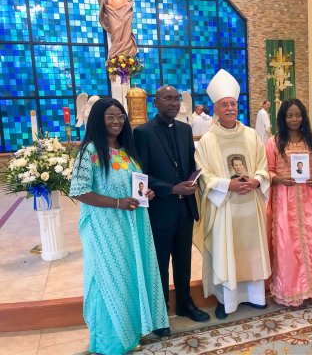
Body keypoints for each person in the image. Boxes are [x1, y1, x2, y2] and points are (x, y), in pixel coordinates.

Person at [69, 98, 168, 354]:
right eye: (110, 117)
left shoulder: (126, 149)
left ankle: (130, 334)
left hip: (133, 224)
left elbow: (132, 184)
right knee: (110, 279)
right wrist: (116, 203)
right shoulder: (90, 151)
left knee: (129, 277)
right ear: (98, 119)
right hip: (105, 228)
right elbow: (79, 191)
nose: (116, 122)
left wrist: (145, 194)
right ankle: (109, 342)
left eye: (120, 117)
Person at [194, 69, 271, 320]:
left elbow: (263, 165)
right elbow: (202, 173)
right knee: (225, 251)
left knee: (251, 250)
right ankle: (226, 301)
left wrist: (256, 180)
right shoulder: (207, 140)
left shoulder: (250, 135)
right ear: (215, 109)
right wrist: (227, 185)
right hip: (224, 206)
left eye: (233, 104)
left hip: (250, 204)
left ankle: (256, 297)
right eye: (224, 105)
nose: (230, 108)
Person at [134, 86, 210, 329]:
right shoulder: (143, 132)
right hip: (160, 208)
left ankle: (185, 303)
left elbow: (189, 163)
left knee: (183, 258)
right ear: (155, 103)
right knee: (159, 261)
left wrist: (193, 180)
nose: (174, 103)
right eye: (168, 99)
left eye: (177, 99)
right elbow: (141, 174)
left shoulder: (185, 129)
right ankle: (161, 310)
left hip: (185, 207)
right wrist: (173, 188)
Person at [266, 98, 312, 306]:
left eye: (298, 114)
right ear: (283, 118)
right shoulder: (273, 142)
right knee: (288, 245)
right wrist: (278, 179)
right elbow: (268, 169)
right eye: (290, 115)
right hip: (284, 200)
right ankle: (290, 291)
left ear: (304, 116)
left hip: (308, 199)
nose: (294, 119)